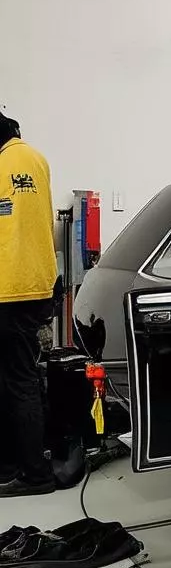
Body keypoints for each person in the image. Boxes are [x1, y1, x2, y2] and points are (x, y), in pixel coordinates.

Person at [0, 109, 58, 496]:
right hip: (38, 285)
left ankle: (36, 474)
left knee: (17, 380)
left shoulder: (3, 163)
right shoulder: (36, 158)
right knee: (18, 376)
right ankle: (16, 461)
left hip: (9, 289)